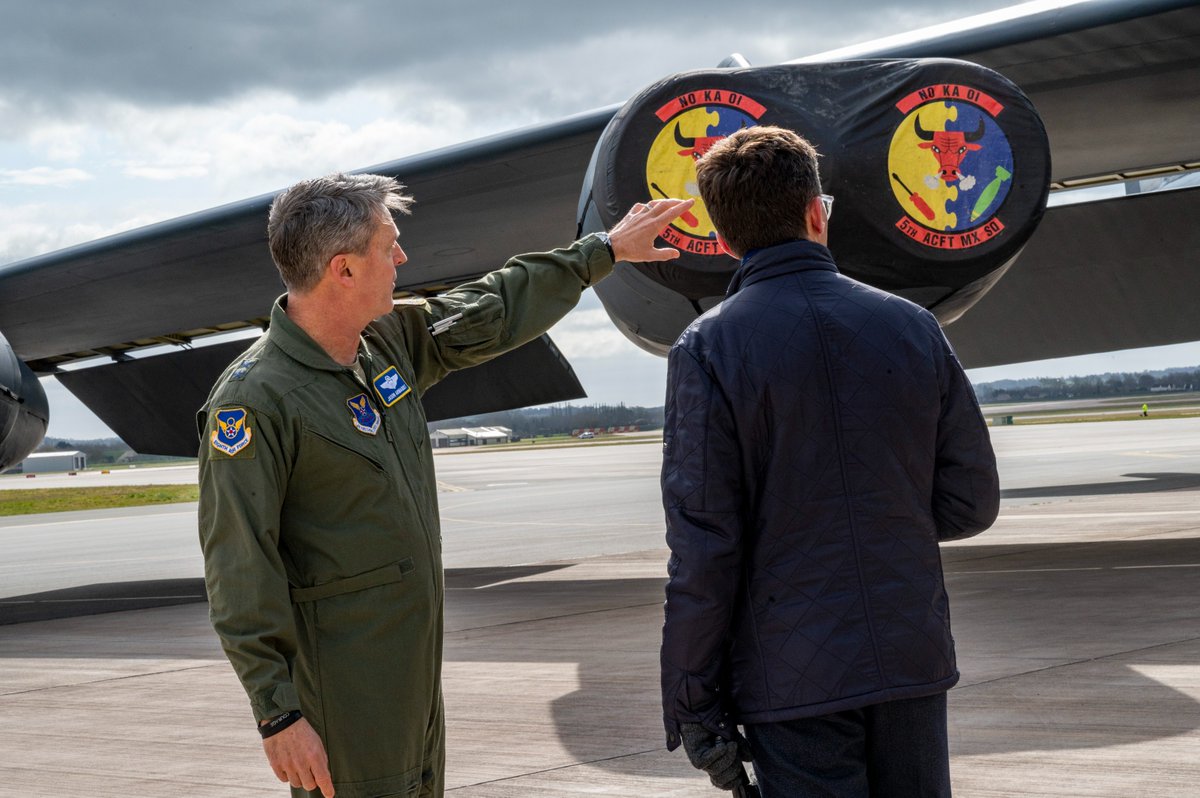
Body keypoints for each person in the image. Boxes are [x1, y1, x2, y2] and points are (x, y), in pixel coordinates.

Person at [197, 172, 692, 798]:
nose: (402, 258)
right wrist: (278, 714)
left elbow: (492, 305)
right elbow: (240, 566)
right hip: (347, 691)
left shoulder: (384, 344)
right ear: (344, 270)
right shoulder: (254, 400)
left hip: (410, 675)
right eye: (388, 245)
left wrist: (605, 251)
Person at [659, 126, 1000, 796]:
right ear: (818, 212)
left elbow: (703, 547)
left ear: (724, 238)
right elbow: (970, 502)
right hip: (909, 659)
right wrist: (881, 525)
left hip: (789, 678)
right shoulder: (912, 325)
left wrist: (692, 703)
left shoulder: (707, 347)